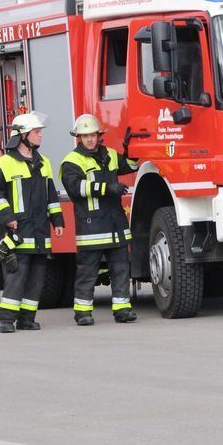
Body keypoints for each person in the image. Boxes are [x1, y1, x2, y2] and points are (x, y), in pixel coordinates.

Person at [60, 114, 139, 325]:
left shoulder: (110, 154)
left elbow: (130, 166)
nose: (89, 139)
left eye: (92, 135)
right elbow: (75, 188)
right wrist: (107, 188)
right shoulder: (71, 161)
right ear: (79, 137)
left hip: (115, 225)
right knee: (87, 272)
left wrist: (131, 150)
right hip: (91, 227)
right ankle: (82, 313)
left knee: (121, 269)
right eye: (85, 136)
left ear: (98, 135)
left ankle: (122, 309)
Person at [0, 112, 64, 333]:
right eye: (36, 132)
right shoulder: (4, 164)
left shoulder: (44, 163)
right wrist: (8, 218)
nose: (41, 135)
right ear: (23, 135)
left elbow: (51, 196)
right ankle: (6, 320)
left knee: (37, 279)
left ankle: (27, 319)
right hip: (18, 231)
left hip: (40, 232)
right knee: (16, 276)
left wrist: (57, 220)